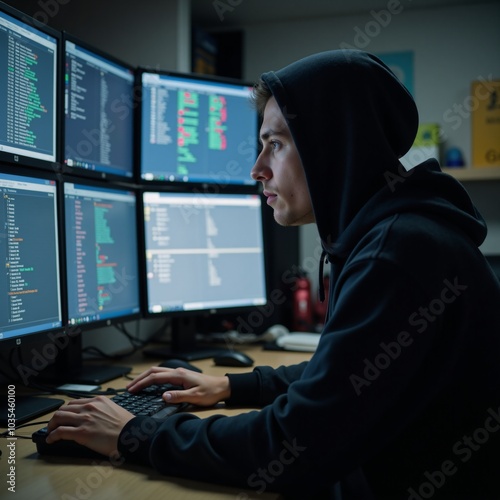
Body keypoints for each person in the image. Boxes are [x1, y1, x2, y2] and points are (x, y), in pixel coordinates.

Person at [46, 49, 500, 499]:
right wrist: (230, 385)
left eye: (276, 144)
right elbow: (344, 374)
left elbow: (294, 445)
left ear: (334, 145)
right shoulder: (400, 233)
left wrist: (134, 433)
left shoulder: (395, 254)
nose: (257, 168)